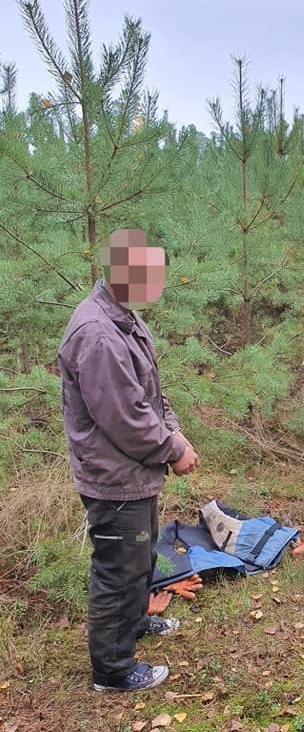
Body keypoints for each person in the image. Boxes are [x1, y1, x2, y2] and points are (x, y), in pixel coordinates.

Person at [58, 229, 199, 692]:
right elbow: (125, 417)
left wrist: (173, 429)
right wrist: (172, 449)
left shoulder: (125, 319)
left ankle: (134, 621)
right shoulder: (97, 333)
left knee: (138, 555)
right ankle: (113, 670)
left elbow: (150, 394)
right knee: (117, 568)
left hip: (133, 473)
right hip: (113, 476)